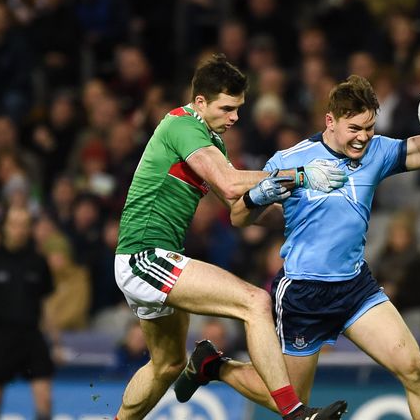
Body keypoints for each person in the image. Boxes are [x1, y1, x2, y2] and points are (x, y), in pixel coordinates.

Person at [175, 73, 420, 419]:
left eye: (369, 128)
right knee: (288, 400)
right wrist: (261, 194)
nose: (363, 137)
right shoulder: (289, 160)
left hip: (355, 288)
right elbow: (239, 217)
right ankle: (214, 366)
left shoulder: (378, 151)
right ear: (330, 121)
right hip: (304, 295)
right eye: (354, 129)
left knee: (417, 370)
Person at [112, 53, 349, 420]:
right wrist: (300, 174)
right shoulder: (181, 124)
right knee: (254, 301)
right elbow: (229, 181)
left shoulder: (212, 144)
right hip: (146, 257)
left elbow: (240, 211)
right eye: (226, 108)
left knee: (168, 364)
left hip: (154, 260)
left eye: (238, 108)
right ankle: (295, 413)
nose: (235, 117)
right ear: (200, 102)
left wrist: (295, 210)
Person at [0, 206, 61, 420]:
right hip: (0, 337)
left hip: (31, 336)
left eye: (25, 225)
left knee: (45, 399)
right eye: (15, 224)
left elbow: (47, 305)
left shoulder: (38, 261)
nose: (20, 230)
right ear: (5, 227)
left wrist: (56, 342)